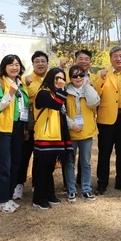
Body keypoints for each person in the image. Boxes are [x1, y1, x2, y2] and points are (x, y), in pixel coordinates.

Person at [0, 54, 30, 213]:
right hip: (3, 130)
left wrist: (25, 129)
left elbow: (24, 108)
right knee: (4, 166)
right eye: (10, 64)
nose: (14, 67)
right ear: (4, 67)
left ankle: (8, 196)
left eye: (17, 64)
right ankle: (0, 200)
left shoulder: (22, 84)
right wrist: (10, 92)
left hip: (18, 128)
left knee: (15, 164)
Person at [94, 46, 121, 195]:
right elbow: (95, 93)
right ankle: (102, 183)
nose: (119, 59)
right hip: (106, 119)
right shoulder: (102, 73)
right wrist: (101, 79)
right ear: (110, 59)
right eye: (116, 56)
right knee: (104, 152)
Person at [32, 68, 71, 210]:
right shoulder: (43, 92)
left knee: (49, 168)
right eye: (56, 78)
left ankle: (49, 194)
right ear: (50, 78)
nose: (60, 81)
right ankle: (38, 198)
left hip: (56, 135)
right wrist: (61, 90)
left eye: (62, 78)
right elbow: (55, 105)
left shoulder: (56, 93)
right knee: (42, 169)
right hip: (44, 135)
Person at [14, 50, 49, 200]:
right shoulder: (24, 79)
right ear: (33, 64)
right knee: (24, 155)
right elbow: (24, 101)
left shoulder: (52, 78)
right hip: (29, 124)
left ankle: (37, 184)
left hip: (46, 124)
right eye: (37, 61)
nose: (40, 64)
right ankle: (19, 184)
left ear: (47, 63)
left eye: (43, 61)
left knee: (40, 157)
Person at [64, 64, 100, 202]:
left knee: (86, 163)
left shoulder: (88, 89)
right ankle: (71, 190)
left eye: (81, 75)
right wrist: (71, 124)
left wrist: (87, 86)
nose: (78, 78)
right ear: (70, 77)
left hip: (86, 132)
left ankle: (86, 189)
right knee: (70, 163)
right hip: (71, 132)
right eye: (75, 75)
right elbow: (62, 111)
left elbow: (94, 103)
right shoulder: (65, 91)